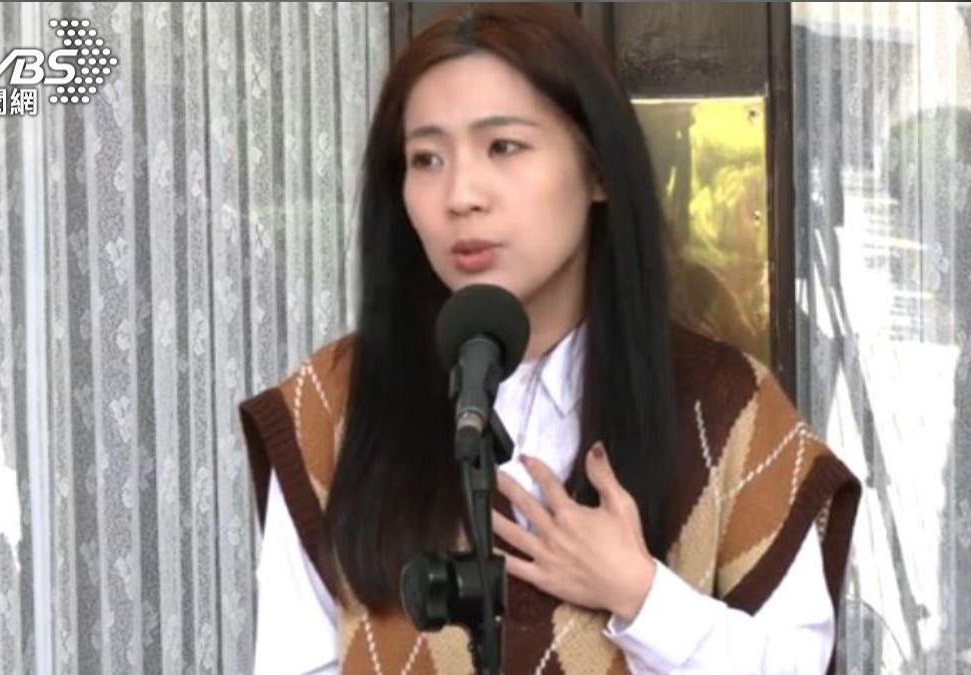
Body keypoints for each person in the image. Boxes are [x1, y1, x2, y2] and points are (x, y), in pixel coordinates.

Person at [239, 4, 860, 674]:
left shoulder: (727, 410)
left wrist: (644, 598)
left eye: (503, 146)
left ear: (598, 169)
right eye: (426, 158)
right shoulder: (334, 405)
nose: (461, 194)